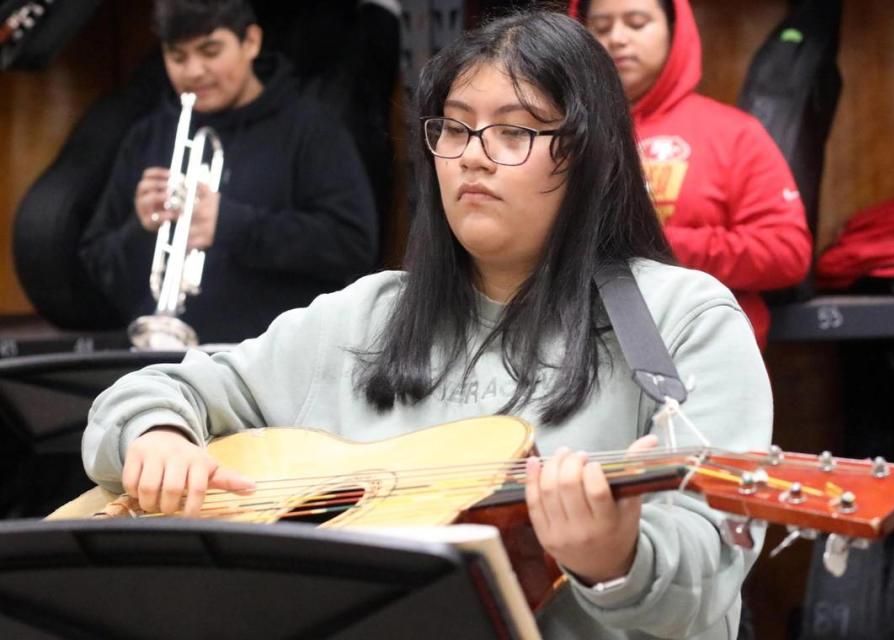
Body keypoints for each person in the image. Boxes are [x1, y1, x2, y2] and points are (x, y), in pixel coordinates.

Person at [82, 10, 772, 638]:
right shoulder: (364, 314)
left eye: (513, 130)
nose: (472, 153)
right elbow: (154, 393)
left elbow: (707, 588)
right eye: (455, 126)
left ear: (588, 153)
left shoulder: (683, 321)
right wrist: (159, 434)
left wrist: (614, 561)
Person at [79, 0, 378, 344]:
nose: (193, 71)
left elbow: (353, 245)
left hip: (272, 364)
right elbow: (99, 269)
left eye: (210, 51)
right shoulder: (148, 137)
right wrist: (141, 228)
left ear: (250, 41)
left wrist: (232, 224)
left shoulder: (311, 129)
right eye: (178, 57)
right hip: (159, 364)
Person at [571, 0, 812, 349]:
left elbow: (786, 253)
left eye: (637, 23)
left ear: (675, 30)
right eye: (601, 28)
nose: (617, 39)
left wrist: (654, 243)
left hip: (705, 351)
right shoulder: (558, 135)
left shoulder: (733, 134)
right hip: (582, 354)